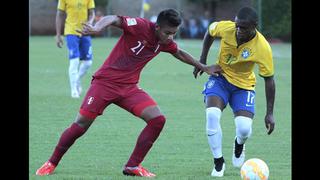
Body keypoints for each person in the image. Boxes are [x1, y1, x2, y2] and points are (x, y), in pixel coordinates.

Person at [36, 9, 221, 177]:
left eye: (174, 33)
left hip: (129, 88)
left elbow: (179, 53)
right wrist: (97, 27)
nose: (170, 37)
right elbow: (113, 18)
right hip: (105, 84)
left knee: (157, 119)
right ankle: (51, 162)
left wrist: (202, 66)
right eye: (167, 33)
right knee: (81, 125)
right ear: (157, 27)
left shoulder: (164, 42)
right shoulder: (140, 26)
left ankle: (132, 166)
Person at [193, 6, 276, 177]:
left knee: (244, 129)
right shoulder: (227, 28)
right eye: (237, 25)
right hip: (220, 78)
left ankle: (239, 143)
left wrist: (269, 113)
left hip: (244, 85)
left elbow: (269, 80)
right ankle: (218, 162)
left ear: (254, 26)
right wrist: (202, 60)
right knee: (212, 115)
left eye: (243, 27)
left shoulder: (262, 47)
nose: (238, 30)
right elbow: (210, 32)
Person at [55, 0, 95, 98]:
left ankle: (76, 80)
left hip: (85, 31)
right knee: (74, 61)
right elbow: (59, 14)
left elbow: (92, 13)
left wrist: (89, 23)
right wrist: (58, 35)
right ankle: (74, 91)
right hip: (71, 31)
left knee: (88, 63)